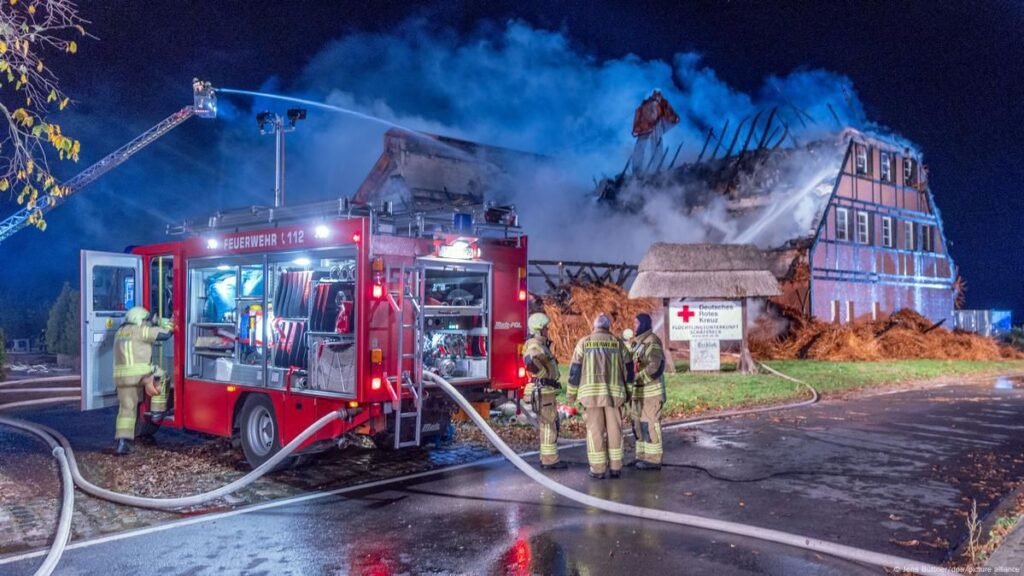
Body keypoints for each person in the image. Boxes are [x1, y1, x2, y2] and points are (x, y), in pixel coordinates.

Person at [567, 314, 633, 479]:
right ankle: (616, 467)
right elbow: (629, 369)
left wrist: (571, 394)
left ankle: (598, 469)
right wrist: (629, 392)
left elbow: (575, 370)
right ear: (608, 327)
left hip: (591, 396)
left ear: (594, 326)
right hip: (614, 395)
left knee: (595, 432)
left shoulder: (584, 342)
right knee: (615, 430)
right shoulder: (618, 343)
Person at [113, 306, 173, 455]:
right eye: (145, 320)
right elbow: (165, 335)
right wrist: (167, 322)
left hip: (122, 378)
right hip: (141, 374)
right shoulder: (140, 330)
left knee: (126, 410)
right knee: (163, 376)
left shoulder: (119, 332)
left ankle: (123, 443)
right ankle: (157, 412)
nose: (147, 322)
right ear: (139, 320)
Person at [522, 313, 567, 470]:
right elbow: (529, 360)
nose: (548, 330)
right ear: (539, 329)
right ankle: (550, 460)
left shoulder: (540, 344)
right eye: (546, 328)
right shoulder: (535, 344)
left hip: (545, 390)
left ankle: (546, 458)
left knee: (548, 424)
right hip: (543, 390)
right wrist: (542, 375)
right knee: (549, 425)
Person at [628, 313, 666, 470]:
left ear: (643, 324)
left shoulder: (653, 341)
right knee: (638, 424)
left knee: (650, 424)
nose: (634, 326)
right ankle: (641, 456)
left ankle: (654, 459)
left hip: (651, 393)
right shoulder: (639, 343)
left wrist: (637, 378)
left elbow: (654, 366)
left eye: (636, 323)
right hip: (639, 394)